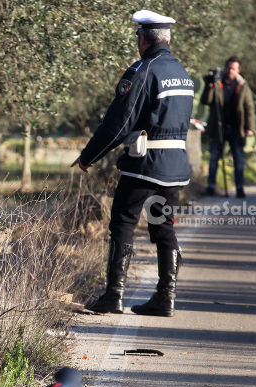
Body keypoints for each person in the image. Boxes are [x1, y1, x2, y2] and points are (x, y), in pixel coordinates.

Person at [73, 9, 193, 317]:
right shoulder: (183, 72)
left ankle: (114, 295)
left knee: (123, 224)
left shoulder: (143, 70)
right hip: (175, 166)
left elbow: (118, 122)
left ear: (142, 39)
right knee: (164, 228)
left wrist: (89, 156)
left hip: (144, 164)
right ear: (167, 39)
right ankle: (166, 297)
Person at [201, 57, 256, 198]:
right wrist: (209, 86)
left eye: (233, 68)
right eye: (228, 68)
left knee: (238, 159)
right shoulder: (217, 83)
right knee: (214, 158)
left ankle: (239, 188)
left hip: (236, 129)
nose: (230, 71)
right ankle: (211, 186)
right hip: (218, 127)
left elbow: (249, 107)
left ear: (238, 70)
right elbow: (206, 101)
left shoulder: (243, 86)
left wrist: (250, 127)